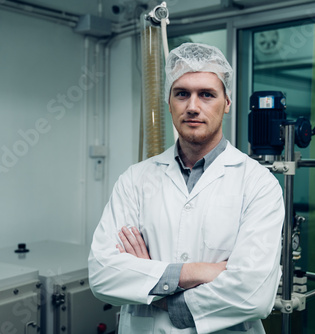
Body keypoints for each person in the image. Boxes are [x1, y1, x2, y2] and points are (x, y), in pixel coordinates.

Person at [89, 43, 285, 333]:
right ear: (169, 102)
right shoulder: (135, 179)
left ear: (227, 102)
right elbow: (103, 275)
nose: (193, 106)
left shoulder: (258, 184)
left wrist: (157, 291)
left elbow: (254, 294)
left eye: (207, 94)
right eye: (182, 94)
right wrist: (198, 271)